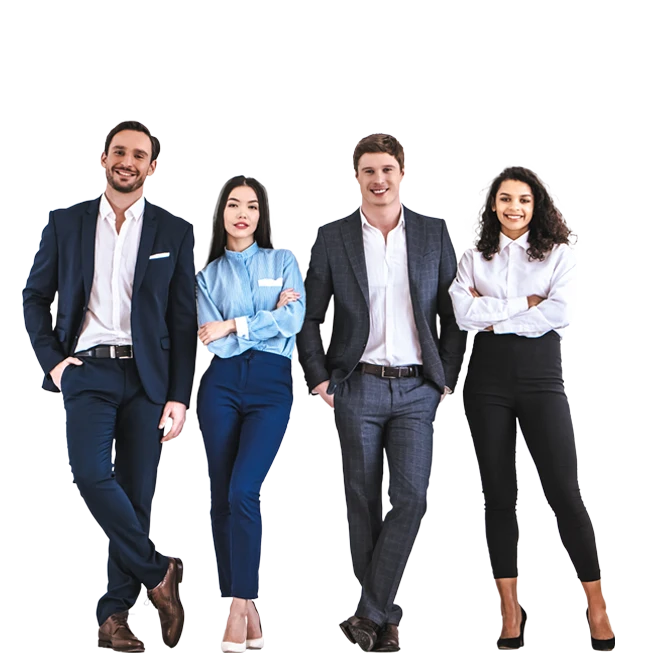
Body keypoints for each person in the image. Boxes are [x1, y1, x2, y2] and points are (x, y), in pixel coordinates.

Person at [22, 120, 197, 653]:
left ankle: (114, 618)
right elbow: (35, 298)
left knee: (136, 496)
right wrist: (54, 363)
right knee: (94, 476)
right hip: (88, 372)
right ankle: (159, 572)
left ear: (152, 166)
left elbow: (182, 317)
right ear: (104, 158)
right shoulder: (68, 222)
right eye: (119, 151)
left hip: (148, 380)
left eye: (139, 155)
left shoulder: (173, 231)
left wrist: (178, 394)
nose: (128, 161)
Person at [297, 133, 467, 653]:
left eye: (388, 169)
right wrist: (321, 377)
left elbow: (452, 314)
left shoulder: (434, 234)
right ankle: (386, 621)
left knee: (412, 497)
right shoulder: (333, 239)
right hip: (358, 386)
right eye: (369, 170)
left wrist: (445, 378)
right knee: (364, 501)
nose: (379, 179)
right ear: (357, 176)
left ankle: (368, 613)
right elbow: (310, 316)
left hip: (417, 387)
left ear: (403, 171)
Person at [449, 162, 616, 651]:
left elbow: (561, 311)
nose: (514, 208)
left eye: (524, 200)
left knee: (564, 489)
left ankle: (597, 603)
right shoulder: (474, 254)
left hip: (541, 377)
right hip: (486, 381)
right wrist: (526, 304)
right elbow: (462, 312)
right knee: (500, 494)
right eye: (505, 199)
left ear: (537, 204)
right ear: (492, 204)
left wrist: (494, 315)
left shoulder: (560, 253)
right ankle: (509, 610)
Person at [195, 174, 305, 653]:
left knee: (245, 489)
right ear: (221, 214)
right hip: (219, 386)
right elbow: (209, 338)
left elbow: (295, 321)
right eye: (234, 205)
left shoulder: (282, 261)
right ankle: (242, 607)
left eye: (253, 206)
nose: (243, 213)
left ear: (264, 216)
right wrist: (265, 321)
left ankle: (241, 600)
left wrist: (236, 323)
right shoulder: (207, 273)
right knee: (223, 496)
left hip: (271, 386)